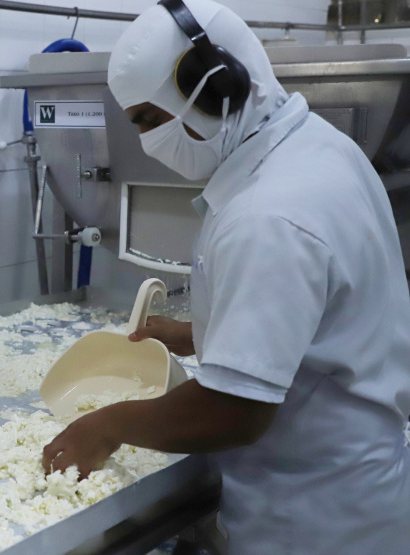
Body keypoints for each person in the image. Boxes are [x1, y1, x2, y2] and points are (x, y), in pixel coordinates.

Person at [42, 0, 410, 552]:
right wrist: (199, 335)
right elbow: (318, 322)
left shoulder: (269, 213)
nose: (146, 141)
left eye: (148, 119)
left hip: (312, 519)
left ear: (215, 88)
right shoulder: (318, 148)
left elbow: (234, 413)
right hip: (356, 485)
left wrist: (107, 425)